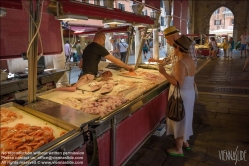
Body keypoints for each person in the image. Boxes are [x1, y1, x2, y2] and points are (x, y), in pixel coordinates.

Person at [57, 32, 134, 92]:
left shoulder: (87, 47)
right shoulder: (98, 47)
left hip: (82, 75)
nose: (104, 42)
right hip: (88, 77)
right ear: (99, 37)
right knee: (76, 91)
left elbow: (80, 65)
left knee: (77, 89)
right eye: (104, 39)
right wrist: (127, 67)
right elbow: (115, 60)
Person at [158, 35, 196, 156]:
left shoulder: (181, 62)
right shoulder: (189, 58)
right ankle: (185, 142)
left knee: (179, 119)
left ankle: (178, 149)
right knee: (186, 118)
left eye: (174, 47)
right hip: (189, 94)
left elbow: (178, 83)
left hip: (181, 96)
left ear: (178, 48)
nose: (173, 50)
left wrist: (164, 73)